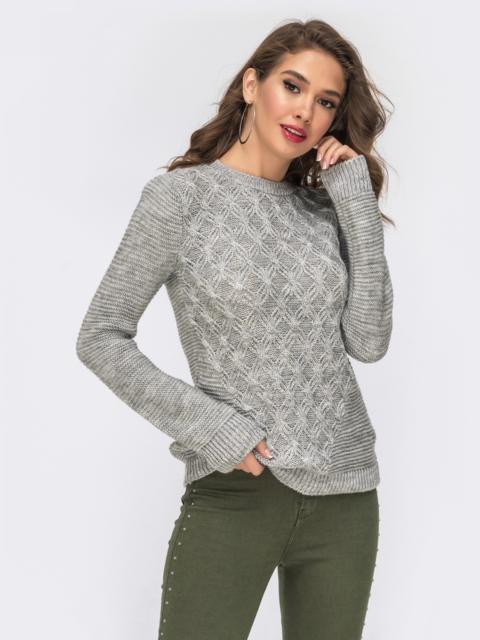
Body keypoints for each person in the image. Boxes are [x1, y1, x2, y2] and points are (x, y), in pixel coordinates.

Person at [76, 17, 395, 640]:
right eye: (292, 86)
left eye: (326, 101)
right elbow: (101, 334)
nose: (305, 111)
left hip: (347, 494)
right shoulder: (180, 200)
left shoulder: (323, 209)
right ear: (252, 85)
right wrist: (213, 426)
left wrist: (355, 201)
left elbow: (369, 341)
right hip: (237, 490)